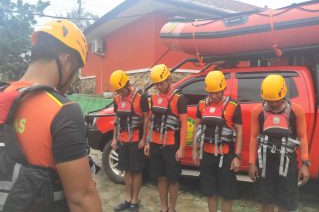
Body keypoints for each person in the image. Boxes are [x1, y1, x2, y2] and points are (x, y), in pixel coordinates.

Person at [0, 20, 102, 212]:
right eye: (76, 70)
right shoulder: (63, 111)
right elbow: (81, 199)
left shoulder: (3, 95)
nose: (73, 79)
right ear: (66, 60)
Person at [248, 74, 310, 212]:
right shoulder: (258, 111)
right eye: (269, 101)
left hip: (288, 162)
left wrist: (305, 164)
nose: (273, 104)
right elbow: (253, 137)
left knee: (286, 203)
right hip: (265, 162)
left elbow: (303, 137)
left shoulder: (296, 110)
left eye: (276, 100)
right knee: (266, 202)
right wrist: (252, 163)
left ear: (283, 94)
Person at [192, 70, 243, 212]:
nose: (213, 96)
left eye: (217, 93)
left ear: (223, 89)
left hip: (226, 156)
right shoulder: (202, 104)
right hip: (206, 155)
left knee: (227, 193)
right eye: (210, 93)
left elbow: (239, 132)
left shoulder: (233, 105)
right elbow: (197, 127)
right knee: (210, 191)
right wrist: (195, 151)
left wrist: (237, 157)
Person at [144, 64, 187, 212]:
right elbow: (151, 121)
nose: (159, 87)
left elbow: (184, 125)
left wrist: (181, 148)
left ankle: (172, 209)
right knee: (161, 178)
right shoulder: (154, 98)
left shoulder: (179, 98)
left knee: (173, 180)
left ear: (168, 78)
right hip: (155, 144)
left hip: (171, 146)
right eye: (156, 84)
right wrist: (148, 142)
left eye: (161, 83)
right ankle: (164, 208)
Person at [110, 70, 150, 212]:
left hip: (136, 139)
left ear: (126, 84)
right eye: (117, 91)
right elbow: (116, 119)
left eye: (121, 90)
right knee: (126, 170)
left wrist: (144, 139)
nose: (120, 93)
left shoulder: (141, 97)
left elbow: (146, 117)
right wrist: (114, 138)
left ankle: (135, 200)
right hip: (123, 139)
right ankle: (128, 199)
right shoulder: (117, 99)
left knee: (136, 170)